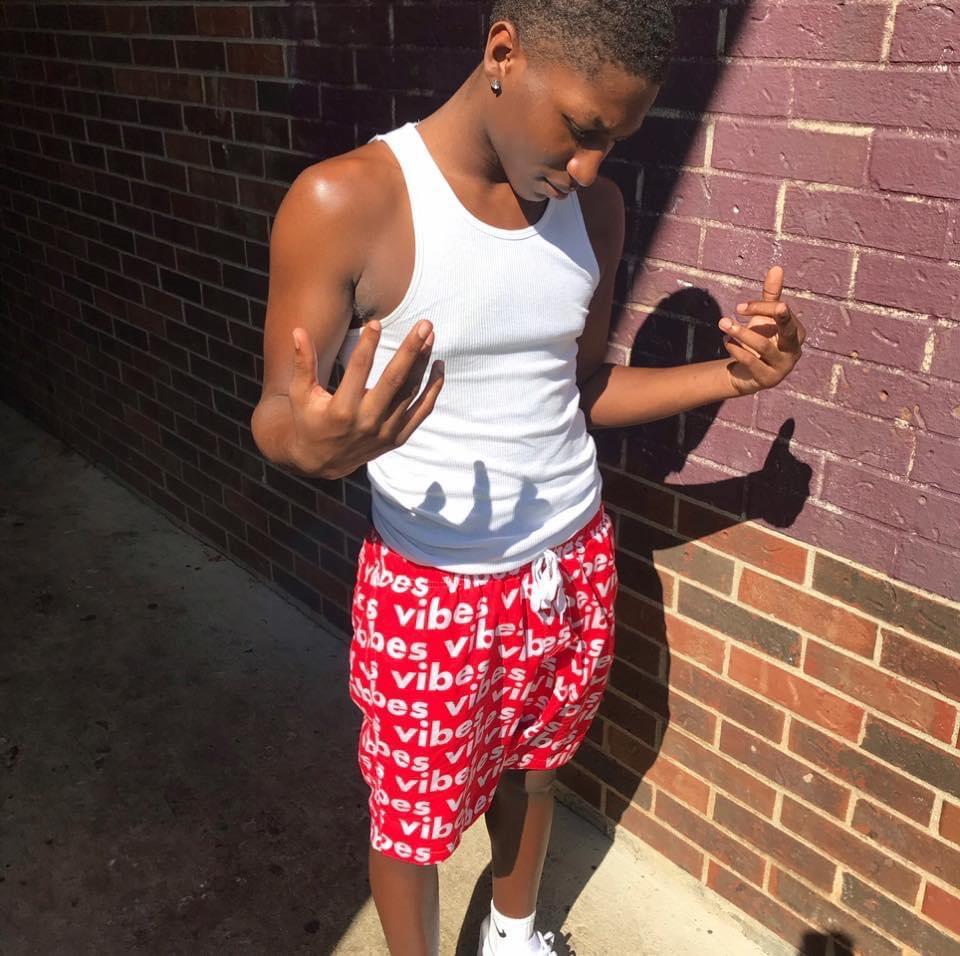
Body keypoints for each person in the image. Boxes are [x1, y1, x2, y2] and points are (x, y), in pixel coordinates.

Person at [250, 1, 806, 953]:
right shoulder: (347, 202)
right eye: (582, 128)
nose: (588, 165)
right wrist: (312, 448)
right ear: (503, 52)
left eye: (613, 141)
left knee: (535, 770)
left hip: (572, 563)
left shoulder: (595, 211)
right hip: (434, 587)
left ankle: (515, 937)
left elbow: (578, 387)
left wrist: (735, 378)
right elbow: (277, 411)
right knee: (411, 824)